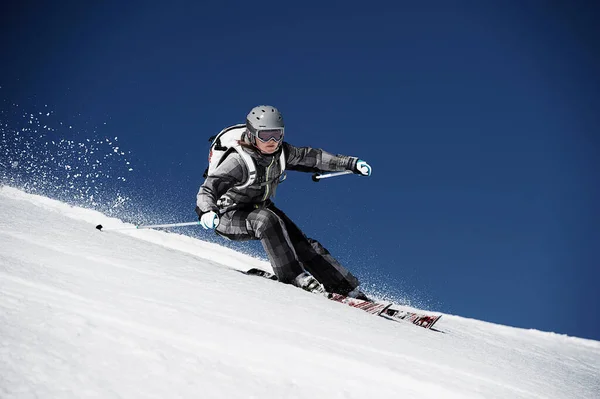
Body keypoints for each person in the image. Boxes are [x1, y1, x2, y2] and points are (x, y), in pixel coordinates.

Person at [195, 105, 372, 298]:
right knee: (266, 220)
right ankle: (294, 277)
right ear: (253, 135)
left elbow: (314, 158)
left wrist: (350, 163)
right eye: (265, 135)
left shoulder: (282, 153)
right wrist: (206, 211)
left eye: (277, 135)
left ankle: (345, 288)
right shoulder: (238, 161)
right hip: (227, 214)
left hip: (259, 206)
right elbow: (209, 188)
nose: (272, 141)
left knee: (302, 243)